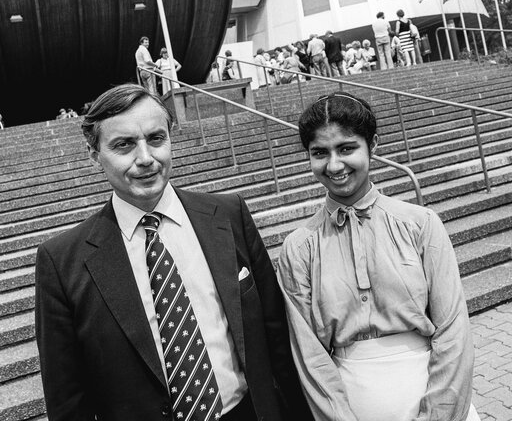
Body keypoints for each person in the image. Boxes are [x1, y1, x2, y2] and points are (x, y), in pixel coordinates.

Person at [35, 84, 313, 421]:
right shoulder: (61, 260)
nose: (145, 158)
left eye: (155, 138)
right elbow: (66, 397)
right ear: (95, 155)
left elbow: (275, 337)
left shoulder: (228, 214)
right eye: (123, 145)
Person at [276, 92, 481, 421]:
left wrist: (439, 415)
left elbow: (453, 331)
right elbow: (310, 356)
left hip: (435, 393)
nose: (334, 165)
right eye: (319, 153)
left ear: (373, 144)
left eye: (346, 148)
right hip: (351, 406)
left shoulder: (420, 224)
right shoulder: (299, 248)